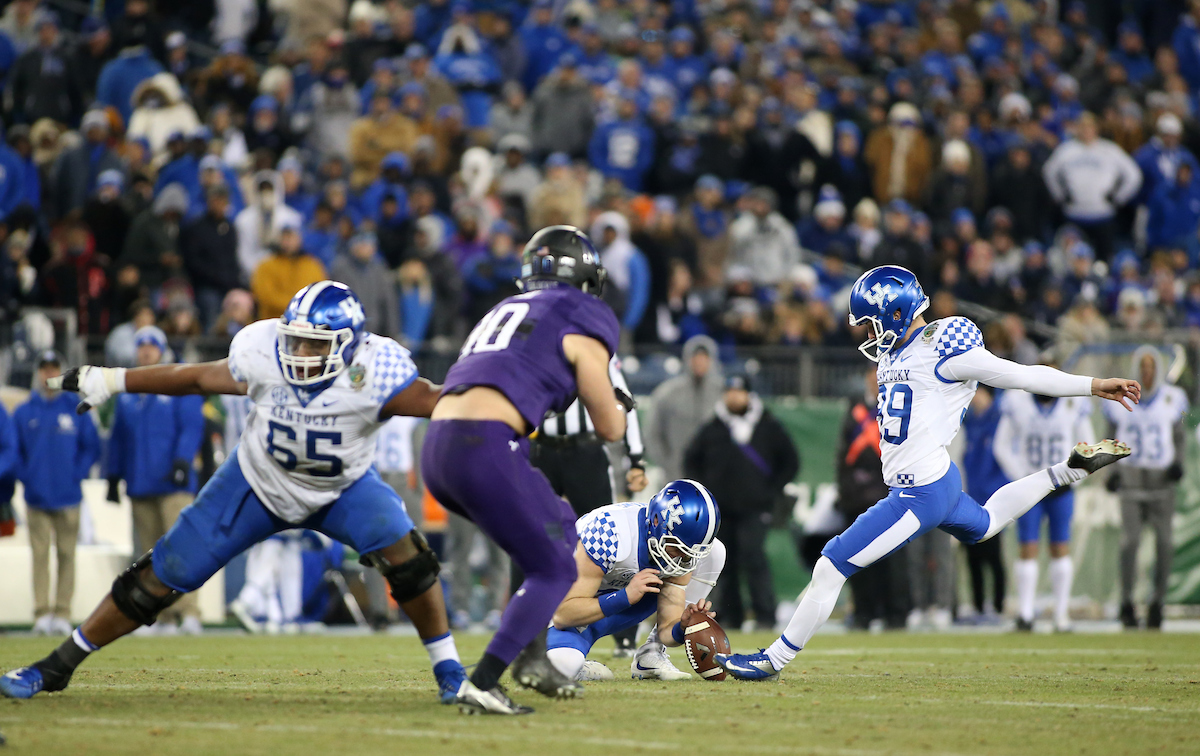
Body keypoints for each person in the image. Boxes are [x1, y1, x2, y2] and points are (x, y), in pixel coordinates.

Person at [0, 282, 467, 706]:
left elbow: (439, 401)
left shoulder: (377, 370)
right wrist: (112, 379)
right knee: (160, 574)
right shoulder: (263, 350)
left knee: (412, 560)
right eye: (295, 339)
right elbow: (196, 377)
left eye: (314, 343)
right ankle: (57, 665)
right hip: (256, 482)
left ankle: (450, 672)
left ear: (349, 345)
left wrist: (515, 407)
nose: (299, 351)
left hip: (342, 488)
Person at [716, 265, 1139, 680]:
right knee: (987, 523)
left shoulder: (945, 348)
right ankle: (1066, 472)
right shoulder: (894, 352)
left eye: (871, 323)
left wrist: (1093, 384)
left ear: (896, 313)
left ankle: (774, 659)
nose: (868, 334)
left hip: (917, 492)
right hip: (938, 479)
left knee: (831, 566)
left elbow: (1021, 375)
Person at [421, 225, 628, 715]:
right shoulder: (582, 311)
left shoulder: (502, 310)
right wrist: (616, 402)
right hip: (485, 443)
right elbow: (610, 427)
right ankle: (486, 680)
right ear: (584, 278)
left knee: (555, 521)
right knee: (556, 565)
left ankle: (533, 657)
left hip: (440, 444)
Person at [545, 480, 725, 682]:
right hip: (567, 602)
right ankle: (575, 666)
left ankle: (652, 652)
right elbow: (563, 614)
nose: (681, 560)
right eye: (677, 549)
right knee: (561, 664)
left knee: (716, 552)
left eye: (688, 553)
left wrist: (683, 626)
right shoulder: (609, 533)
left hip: (620, 601)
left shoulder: (678, 548)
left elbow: (667, 630)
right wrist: (625, 596)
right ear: (657, 523)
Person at [529, 353, 646, 657]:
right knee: (530, 538)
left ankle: (624, 636)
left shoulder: (594, 346)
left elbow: (624, 402)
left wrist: (636, 458)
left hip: (586, 451)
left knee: (613, 537)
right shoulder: (533, 346)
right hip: (541, 451)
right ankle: (529, 629)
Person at [104, 326, 206, 635]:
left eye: (152, 344)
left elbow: (192, 425)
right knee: (147, 557)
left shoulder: (177, 382)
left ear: (161, 350)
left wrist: (182, 461)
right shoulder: (128, 392)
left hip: (173, 484)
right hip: (140, 482)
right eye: (141, 345)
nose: (146, 350)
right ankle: (159, 617)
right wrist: (113, 475)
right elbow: (117, 438)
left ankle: (189, 612)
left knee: (181, 551)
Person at [684, 373, 799, 631]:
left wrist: (770, 491)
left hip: (755, 507)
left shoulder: (768, 425)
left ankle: (765, 615)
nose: (734, 397)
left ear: (749, 394)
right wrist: (705, 492)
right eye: (730, 391)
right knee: (724, 564)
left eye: (740, 392)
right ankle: (729, 616)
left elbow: (790, 461)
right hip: (721, 510)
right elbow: (691, 460)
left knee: (754, 558)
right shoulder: (713, 427)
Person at [993, 367, 1095, 632]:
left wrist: (1074, 475)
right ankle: (1026, 614)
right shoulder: (1018, 402)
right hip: (1031, 484)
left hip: (1061, 486)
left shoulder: (1073, 403)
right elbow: (1001, 446)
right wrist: (1022, 477)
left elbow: (1088, 444)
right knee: (1027, 547)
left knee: (1060, 547)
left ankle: (1061, 616)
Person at [13, 351, 100, 637]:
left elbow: (92, 447)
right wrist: (27, 478)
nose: (48, 374)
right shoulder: (25, 411)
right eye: (44, 368)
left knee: (66, 555)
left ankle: (62, 612)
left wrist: (76, 474)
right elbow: (16, 452)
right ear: (37, 372)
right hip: (36, 498)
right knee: (40, 556)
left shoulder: (76, 407)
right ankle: (41, 613)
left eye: (53, 368)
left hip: (69, 496)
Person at [1105, 347, 1189, 630]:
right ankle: (1127, 602)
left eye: (1152, 367)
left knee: (1165, 544)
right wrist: (1111, 469)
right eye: (1144, 367)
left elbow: (1179, 436)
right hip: (1131, 477)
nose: (1148, 372)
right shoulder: (1121, 395)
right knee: (1129, 543)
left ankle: (1157, 603)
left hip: (1161, 480)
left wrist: (1179, 463)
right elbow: (1111, 435)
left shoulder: (1173, 398)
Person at [835, 367, 908, 630]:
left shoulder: (899, 406)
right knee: (858, 557)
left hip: (889, 494)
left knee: (892, 559)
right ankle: (864, 611)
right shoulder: (855, 412)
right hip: (857, 496)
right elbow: (843, 456)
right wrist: (845, 492)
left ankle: (895, 612)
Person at [645, 334, 723, 481]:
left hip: (716, 477)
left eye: (704, 357)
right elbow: (652, 433)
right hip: (676, 474)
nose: (699, 362)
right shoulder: (667, 393)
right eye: (695, 357)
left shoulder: (723, 393)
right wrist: (667, 463)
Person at [959, 387, 1008, 622]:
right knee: (973, 557)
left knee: (994, 556)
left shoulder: (1000, 420)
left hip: (993, 500)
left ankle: (998, 606)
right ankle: (978, 606)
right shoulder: (969, 422)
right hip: (970, 498)